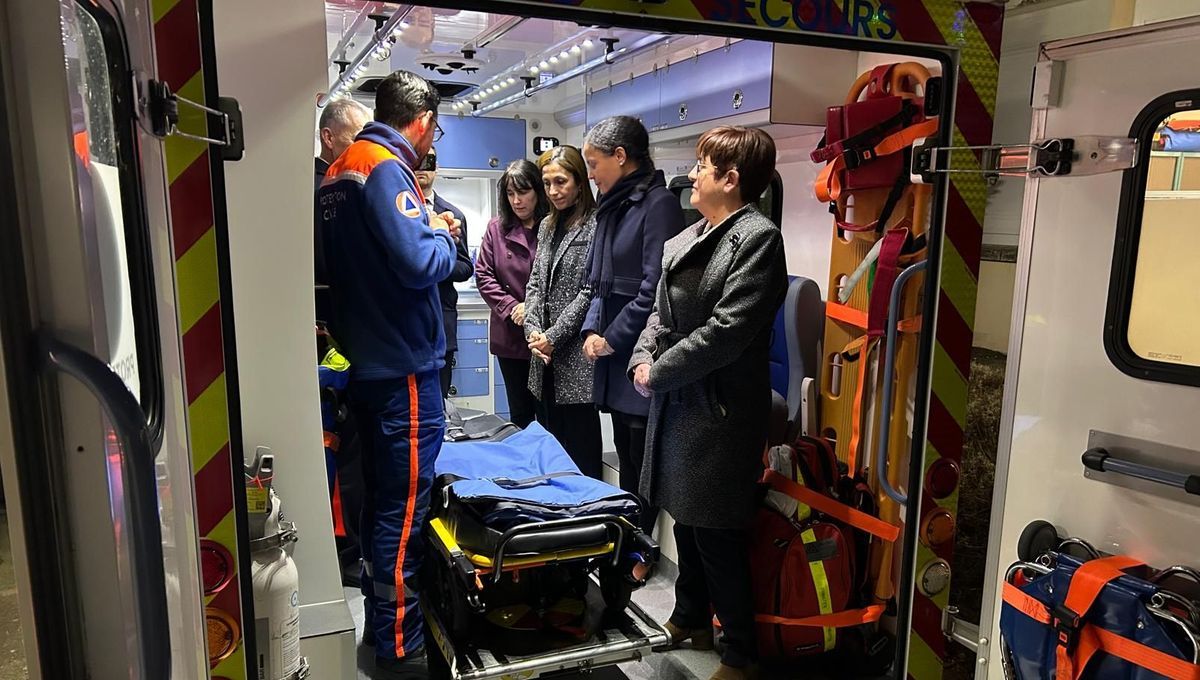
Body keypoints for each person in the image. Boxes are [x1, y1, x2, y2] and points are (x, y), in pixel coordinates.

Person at [629, 126, 787, 680]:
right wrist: (641, 361)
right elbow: (657, 315)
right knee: (688, 522)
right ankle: (690, 615)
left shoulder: (757, 240)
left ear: (731, 178)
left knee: (717, 530)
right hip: (679, 402)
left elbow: (727, 331)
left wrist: (659, 371)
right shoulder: (688, 237)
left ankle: (740, 653)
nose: (692, 176)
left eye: (702, 165)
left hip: (719, 410)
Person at [318, 70, 460, 678]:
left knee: (380, 505)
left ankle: (384, 630)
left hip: (366, 362)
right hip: (404, 365)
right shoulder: (384, 166)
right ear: (423, 120)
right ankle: (402, 650)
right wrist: (445, 236)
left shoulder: (335, 173)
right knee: (404, 514)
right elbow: (418, 260)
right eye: (436, 130)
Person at [581, 115, 685, 537]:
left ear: (620, 157)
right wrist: (591, 331)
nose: (591, 174)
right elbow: (598, 285)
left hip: (637, 348)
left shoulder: (658, 204)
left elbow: (654, 289)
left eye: (594, 163)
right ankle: (628, 537)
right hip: (610, 346)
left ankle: (642, 547)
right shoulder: (613, 207)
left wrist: (611, 338)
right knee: (625, 451)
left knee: (642, 460)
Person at [313, 97, 370, 588]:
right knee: (343, 452)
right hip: (332, 342)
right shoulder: (324, 190)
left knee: (352, 450)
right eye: (356, 138)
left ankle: (351, 543)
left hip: (347, 338)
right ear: (330, 138)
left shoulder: (336, 187)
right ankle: (347, 548)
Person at [524, 146, 602, 477]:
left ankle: (589, 522)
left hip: (574, 358)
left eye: (561, 181)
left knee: (581, 453)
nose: (554, 191)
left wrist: (553, 336)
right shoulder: (545, 226)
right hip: (543, 359)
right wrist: (532, 332)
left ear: (580, 181)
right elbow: (534, 284)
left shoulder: (597, 225)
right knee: (550, 451)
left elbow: (590, 291)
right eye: (547, 183)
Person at [475, 160, 549, 428]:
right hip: (510, 334)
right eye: (510, 193)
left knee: (550, 415)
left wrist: (530, 308)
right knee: (520, 413)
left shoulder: (552, 226)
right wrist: (511, 307)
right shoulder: (497, 228)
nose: (517, 201)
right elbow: (483, 275)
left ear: (538, 191)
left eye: (524, 192)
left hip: (546, 334)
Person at [414, 146, 473, 397]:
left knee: (438, 399)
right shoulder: (400, 211)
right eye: (416, 160)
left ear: (436, 168)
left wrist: (437, 264)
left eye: (428, 162)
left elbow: (465, 267)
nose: (421, 168)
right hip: (408, 320)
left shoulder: (452, 215)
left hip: (442, 317)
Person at [314, 98, 371, 324]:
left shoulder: (358, 183)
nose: (365, 149)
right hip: (329, 315)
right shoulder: (314, 189)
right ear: (329, 137)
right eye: (357, 140)